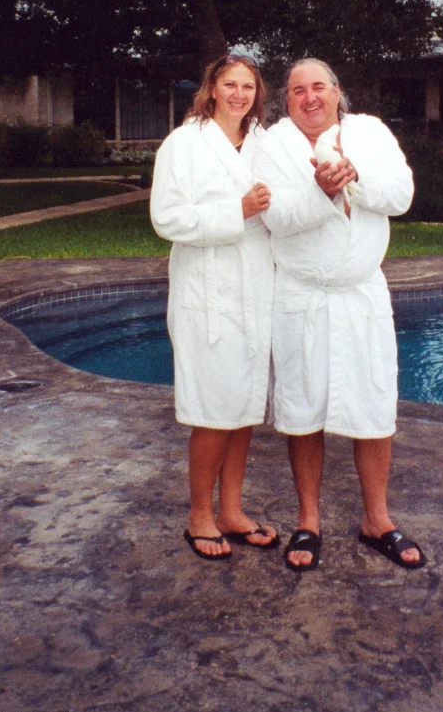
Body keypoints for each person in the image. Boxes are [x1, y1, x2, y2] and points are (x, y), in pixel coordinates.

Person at [254, 58, 426, 572]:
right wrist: (322, 190)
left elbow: (401, 195)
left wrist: (355, 177)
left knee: (373, 405)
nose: (310, 97)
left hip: (361, 294)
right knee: (303, 409)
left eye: (319, 88)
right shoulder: (272, 144)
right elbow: (276, 218)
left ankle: (377, 519)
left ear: (336, 93)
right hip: (301, 297)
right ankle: (309, 520)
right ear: (286, 100)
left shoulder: (369, 132)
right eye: (297, 90)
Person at [150, 54, 278, 561]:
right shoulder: (184, 144)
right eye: (231, 84)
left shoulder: (265, 143)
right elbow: (166, 218)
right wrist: (236, 211)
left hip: (255, 287)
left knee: (244, 404)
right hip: (207, 291)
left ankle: (232, 510)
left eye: (248, 86)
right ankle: (200, 514)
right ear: (211, 88)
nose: (239, 94)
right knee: (213, 410)